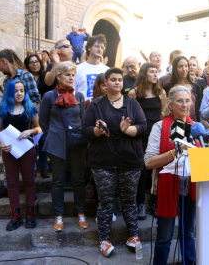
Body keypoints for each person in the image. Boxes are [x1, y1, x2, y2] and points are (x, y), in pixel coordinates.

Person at [83, 67, 147, 257]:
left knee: (129, 200)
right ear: (106, 83)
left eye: (120, 79)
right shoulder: (95, 105)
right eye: (113, 80)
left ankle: (133, 236)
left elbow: (143, 127)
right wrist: (97, 130)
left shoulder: (132, 104)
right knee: (105, 202)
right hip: (103, 162)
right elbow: (85, 130)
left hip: (130, 160)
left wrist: (127, 130)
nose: (117, 82)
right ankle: (104, 239)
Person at [145, 86, 197, 265]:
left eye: (187, 100)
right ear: (171, 104)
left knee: (189, 234)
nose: (184, 105)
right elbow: (149, 162)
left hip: (190, 189)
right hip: (167, 189)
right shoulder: (159, 127)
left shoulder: (196, 128)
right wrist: (175, 152)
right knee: (165, 237)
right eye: (179, 101)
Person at [39, 61, 89, 231]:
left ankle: (81, 214)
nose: (71, 77)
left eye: (73, 74)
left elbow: (83, 121)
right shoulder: (49, 97)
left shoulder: (80, 96)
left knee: (78, 180)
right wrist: (55, 134)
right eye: (67, 74)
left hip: (77, 143)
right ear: (58, 76)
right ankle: (58, 217)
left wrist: (78, 137)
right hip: (56, 143)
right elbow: (43, 122)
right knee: (58, 181)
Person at [0, 49, 42, 198]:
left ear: (4, 62)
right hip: (10, 129)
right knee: (9, 158)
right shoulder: (6, 80)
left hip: (27, 127)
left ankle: (31, 189)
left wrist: (30, 119)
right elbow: (8, 103)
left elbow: (35, 98)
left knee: (29, 163)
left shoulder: (26, 75)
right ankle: (8, 186)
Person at [0, 80, 41, 231]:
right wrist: (1, 145)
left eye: (22, 90)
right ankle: (15, 215)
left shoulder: (30, 107)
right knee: (11, 183)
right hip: (9, 150)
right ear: (10, 92)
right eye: (16, 91)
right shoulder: (2, 109)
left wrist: (30, 131)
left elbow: (39, 128)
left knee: (29, 181)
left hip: (27, 149)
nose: (19, 93)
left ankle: (30, 214)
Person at [129, 63, 167, 220]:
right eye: (152, 71)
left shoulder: (161, 92)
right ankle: (141, 203)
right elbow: (130, 115)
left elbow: (164, 114)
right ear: (144, 73)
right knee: (141, 170)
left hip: (157, 134)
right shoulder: (134, 93)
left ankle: (157, 203)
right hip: (140, 135)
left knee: (158, 169)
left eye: (156, 71)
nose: (155, 74)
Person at [23, 54, 50, 178]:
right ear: (27, 65)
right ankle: (32, 165)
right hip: (29, 113)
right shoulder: (25, 78)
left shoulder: (46, 77)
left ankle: (43, 166)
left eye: (37, 61)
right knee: (32, 141)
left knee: (43, 140)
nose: (35, 64)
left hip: (44, 112)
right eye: (32, 62)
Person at [163, 56, 202, 122]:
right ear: (175, 68)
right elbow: (165, 108)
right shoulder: (168, 87)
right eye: (180, 66)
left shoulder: (196, 86)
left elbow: (198, 108)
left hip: (194, 124)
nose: (184, 69)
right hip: (174, 123)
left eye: (186, 66)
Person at [73, 34, 109, 100]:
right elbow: (73, 91)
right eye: (97, 46)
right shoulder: (77, 69)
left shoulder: (107, 70)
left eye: (102, 47)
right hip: (83, 108)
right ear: (89, 48)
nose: (99, 49)